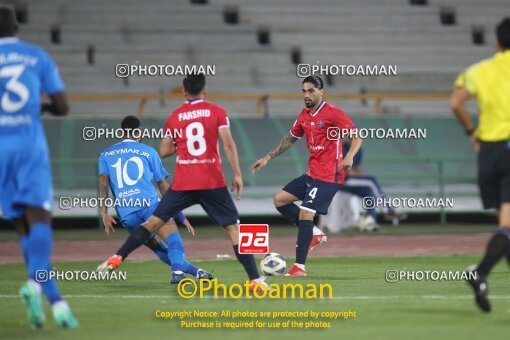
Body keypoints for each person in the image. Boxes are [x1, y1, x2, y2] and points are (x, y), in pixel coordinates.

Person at [98, 75, 269, 291]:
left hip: (184, 182)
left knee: (151, 224)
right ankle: (254, 280)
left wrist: (182, 144)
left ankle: (118, 256)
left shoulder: (176, 117)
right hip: (211, 181)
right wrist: (237, 174)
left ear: (184, 92)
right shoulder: (217, 112)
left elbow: (164, 151)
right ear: (204, 91)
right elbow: (228, 144)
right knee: (233, 230)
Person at [0, 6, 78, 329]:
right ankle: (35, 286)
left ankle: (56, 302)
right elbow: (62, 106)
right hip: (29, 146)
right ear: (17, 27)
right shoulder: (35, 56)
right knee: (40, 220)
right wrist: (41, 105)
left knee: (24, 229)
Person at [251, 75, 362, 276]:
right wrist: (268, 157)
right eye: (304, 91)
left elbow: (357, 135)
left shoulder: (333, 113)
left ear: (321, 92)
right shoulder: (304, 115)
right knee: (280, 200)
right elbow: (290, 139)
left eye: (311, 91)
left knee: (305, 213)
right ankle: (313, 234)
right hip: (313, 173)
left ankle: (299, 267)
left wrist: (350, 156)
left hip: (330, 175)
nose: (307, 95)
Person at [96, 115, 212, 283]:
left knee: (159, 250)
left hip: (127, 214)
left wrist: (104, 212)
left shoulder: (105, 154)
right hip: (150, 206)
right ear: (139, 131)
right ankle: (177, 274)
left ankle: (197, 272)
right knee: (174, 240)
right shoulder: (148, 152)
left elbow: (103, 182)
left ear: (121, 133)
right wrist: (181, 216)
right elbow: (164, 187)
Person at [450, 17, 510, 312]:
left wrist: (471, 133)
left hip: (489, 154)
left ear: (497, 42)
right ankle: (481, 272)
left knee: (507, 227)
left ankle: (484, 277)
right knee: (508, 227)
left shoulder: (480, 70)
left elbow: (456, 102)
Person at [337, 140, 407, 231]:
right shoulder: (342, 148)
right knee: (371, 181)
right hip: (341, 181)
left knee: (368, 191)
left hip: (351, 182)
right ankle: (386, 209)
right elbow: (347, 171)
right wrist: (362, 178)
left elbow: (357, 168)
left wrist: (362, 177)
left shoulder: (358, 149)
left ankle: (371, 220)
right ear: (350, 138)